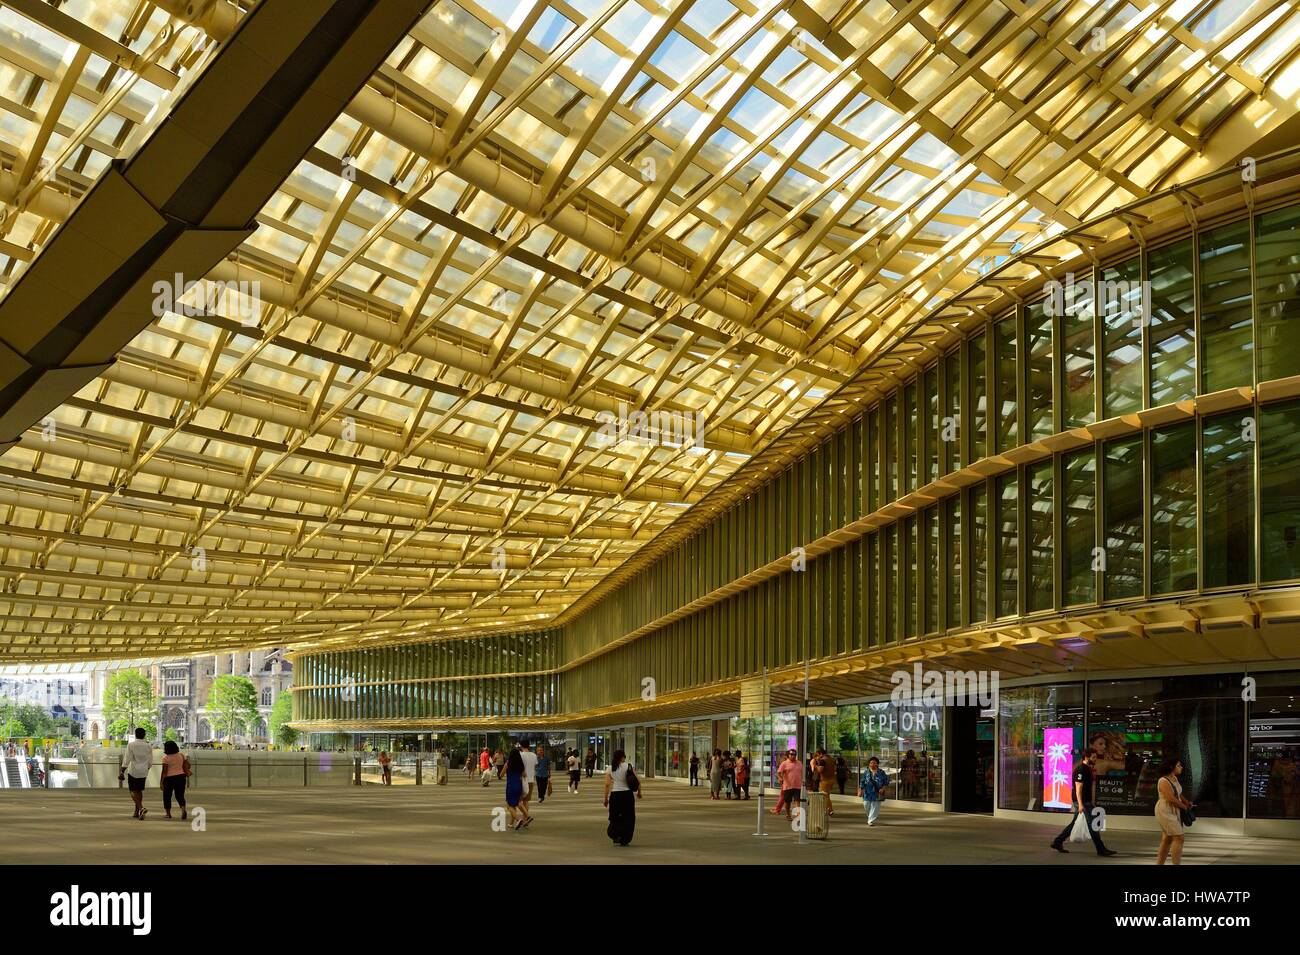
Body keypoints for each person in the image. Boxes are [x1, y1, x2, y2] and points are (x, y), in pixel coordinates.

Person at [1050, 749, 1118, 857]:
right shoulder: (1081, 769)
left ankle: (1057, 842)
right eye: (1093, 757)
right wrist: (1081, 804)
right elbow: (1078, 788)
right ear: (1086, 757)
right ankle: (1101, 849)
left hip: (1086, 801)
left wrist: (1092, 801)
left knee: (1075, 824)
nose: (1095, 760)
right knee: (1093, 825)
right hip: (1082, 802)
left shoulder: (1088, 769)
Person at [1156, 757, 1194, 865]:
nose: (1181, 767)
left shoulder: (1174, 778)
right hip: (1165, 810)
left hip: (1173, 809)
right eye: (1178, 765)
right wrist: (1184, 806)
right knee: (1179, 837)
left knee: (1167, 839)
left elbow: (1178, 793)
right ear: (1171, 767)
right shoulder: (1163, 781)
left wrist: (1186, 802)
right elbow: (1170, 798)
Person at [603, 748, 641, 846]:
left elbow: (607, 784)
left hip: (615, 795)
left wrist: (606, 798)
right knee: (629, 817)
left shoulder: (610, 768)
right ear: (623, 757)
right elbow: (637, 780)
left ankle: (615, 835)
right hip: (627, 795)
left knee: (615, 817)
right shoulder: (628, 766)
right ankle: (625, 838)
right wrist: (639, 792)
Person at [119, 727, 152, 820]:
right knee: (139, 790)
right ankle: (136, 811)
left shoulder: (131, 745)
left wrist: (122, 771)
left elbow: (127, 759)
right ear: (144, 735)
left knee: (133, 791)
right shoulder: (148, 746)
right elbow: (150, 761)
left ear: (135, 734)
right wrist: (147, 768)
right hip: (144, 771)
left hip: (133, 771)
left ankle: (141, 808)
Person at [160, 740, 190, 820]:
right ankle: (183, 809)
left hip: (169, 778)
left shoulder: (166, 758)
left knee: (167, 796)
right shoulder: (181, 755)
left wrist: (161, 782)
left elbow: (164, 772)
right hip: (181, 777)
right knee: (180, 795)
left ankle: (168, 814)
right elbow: (187, 765)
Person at [504, 747, 531, 830]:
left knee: (509, 806)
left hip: (510, 786)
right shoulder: (520, 764)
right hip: (519, 786)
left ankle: (518, 820)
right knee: (519, 802)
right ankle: (527, 816)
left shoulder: (508, 764)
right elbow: (525, 775)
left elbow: (500, 775)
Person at [858, 756, 889, 826]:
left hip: (877, 792)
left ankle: (870, 820)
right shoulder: (866, 772)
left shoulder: (881, 772)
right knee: (866, 805)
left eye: (874, 763)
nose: (872, 764)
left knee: (875, 807)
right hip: (867, 792)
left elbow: (886, 782)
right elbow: (862, 782)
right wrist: (860, 790)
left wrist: (883, 788)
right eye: (871, 763)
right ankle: (870, 817)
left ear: (877, 764)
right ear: (869, 764)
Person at [776, 749, 802, 820]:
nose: (793, 756)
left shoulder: (799, 763)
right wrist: (780, 778)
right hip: (788, 786)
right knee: (788, 802)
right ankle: (788, 814)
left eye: (794, 754)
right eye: (791, 754)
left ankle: (798, 815)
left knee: (797, 801)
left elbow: (802, 773)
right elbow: (778, 772)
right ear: (788, 755)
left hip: (797, 786)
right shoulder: (784, 763)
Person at [814, 749, 836, 816]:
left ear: (821, 754)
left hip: (824, 780)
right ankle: (829, 809)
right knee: (827, 795)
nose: (817, 757)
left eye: (817, 755)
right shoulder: (832, 759)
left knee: (824, 796)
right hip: (832, 779)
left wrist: (815, 765)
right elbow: (834, 769)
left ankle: (829, 810)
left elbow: (820, 770)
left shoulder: (822, 760)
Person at [519, 741, 538, 817]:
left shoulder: (520, 755)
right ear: (529, 746)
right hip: (531, 780)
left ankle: (525, 817)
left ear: (521, 746)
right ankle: (525, 819)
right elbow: (535, 766)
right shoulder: (534, 755)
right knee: (526, 801)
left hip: (522, 780)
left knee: (519, 801)